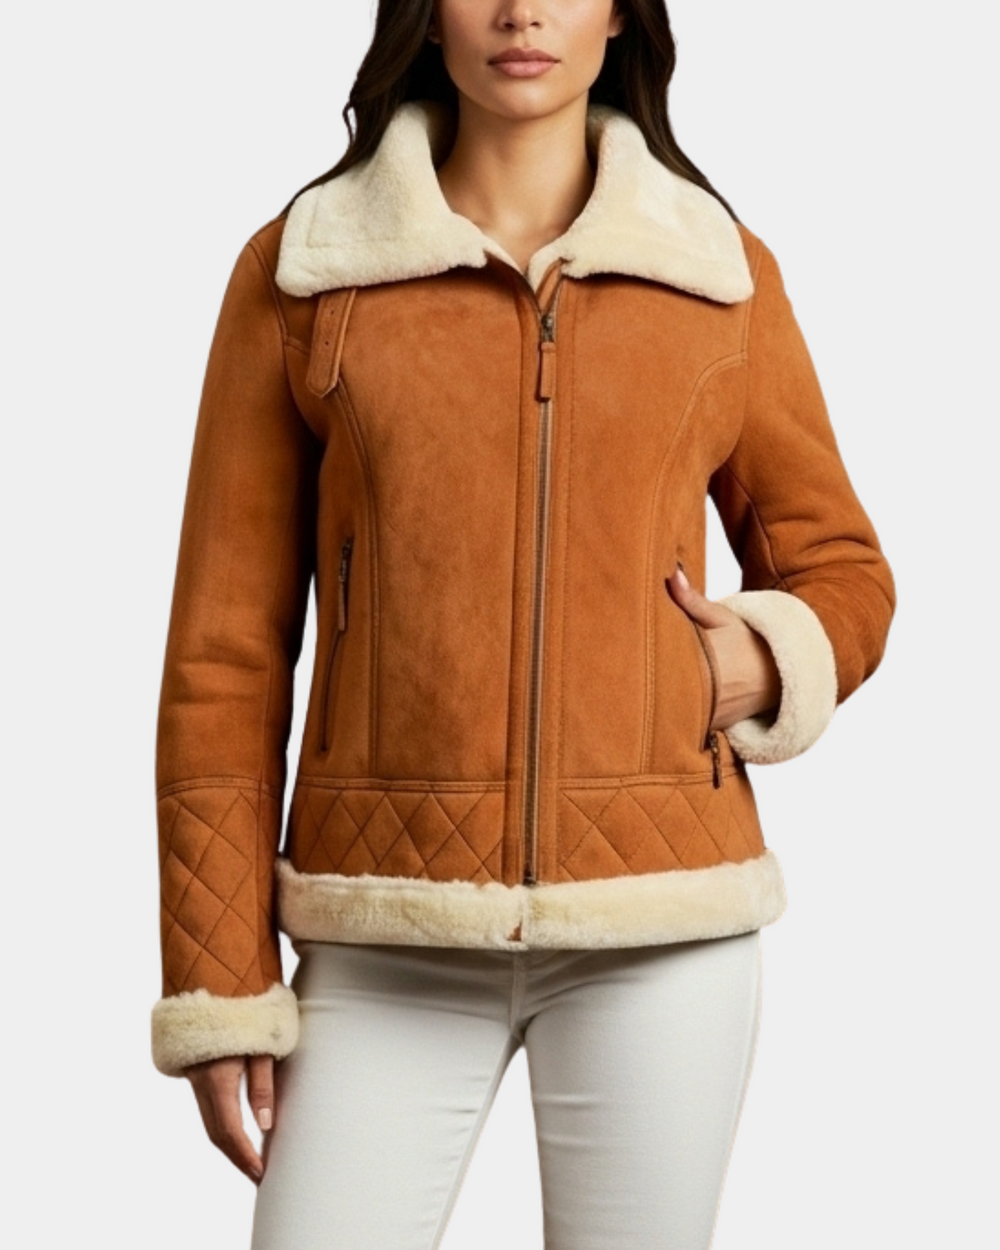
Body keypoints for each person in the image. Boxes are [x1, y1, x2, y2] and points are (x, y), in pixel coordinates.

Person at [150, 1, 895, 1246]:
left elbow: (842, 569)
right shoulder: (309, 272)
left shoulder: (714, 272)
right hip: (384, 925)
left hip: (660, 926)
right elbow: (223, 653)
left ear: (621, 16)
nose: (521, 11)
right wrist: (217, 973)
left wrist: (750, 663)